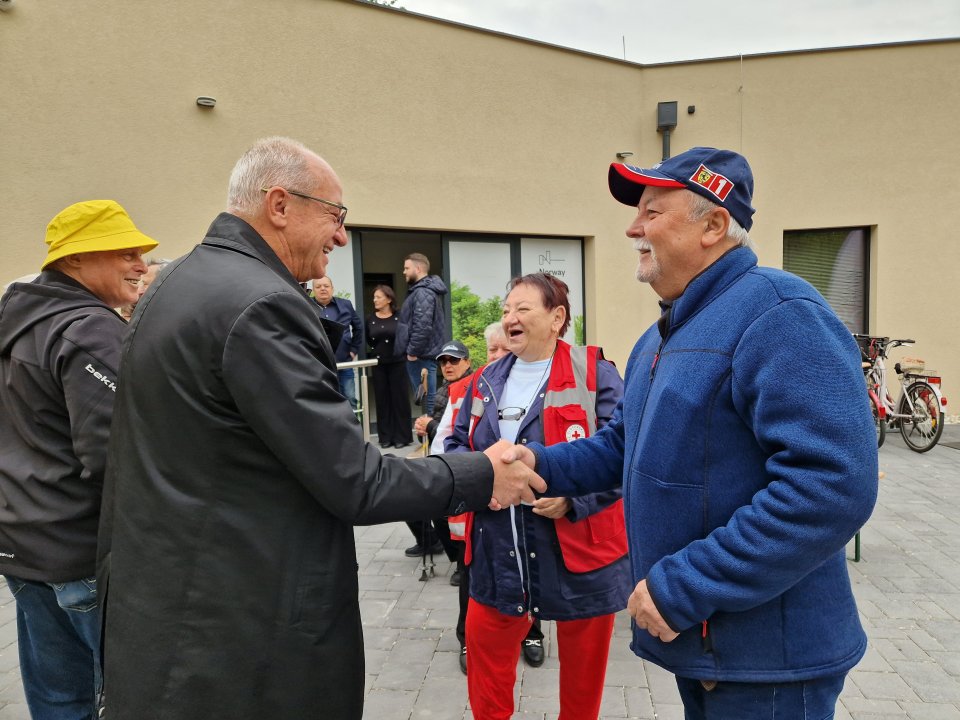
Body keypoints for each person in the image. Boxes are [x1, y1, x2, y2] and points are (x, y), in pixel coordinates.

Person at [95, 136, 541, 720]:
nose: (341, 236)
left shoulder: (177, 281)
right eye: (335, 215)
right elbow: (356, 481)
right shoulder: (262, 306)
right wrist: (481, 475)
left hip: (166, 607)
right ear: (279, 205)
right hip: (238, 634)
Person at [498, 147, 879, 718]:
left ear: (714, 225)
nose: (632, 228)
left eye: (651, 212)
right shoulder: (663, 334)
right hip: (705, 649)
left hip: (768, 665)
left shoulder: (782, 314)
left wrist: (686, 585)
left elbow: (831, 486)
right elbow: (624, 443)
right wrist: (541, 464)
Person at [447, 272, 630, 719]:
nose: (509, 317)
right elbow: (455, 444)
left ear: (557, 317)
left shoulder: (595, 373)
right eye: (506, 309)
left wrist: (574, 501)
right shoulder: (484, 380)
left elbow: (627, 451)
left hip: (580, 553)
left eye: (522, 308)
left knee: (583, 683)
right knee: (487, 666)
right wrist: (479, 484)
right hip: (499, 550)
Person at [0, 199, 157, 720]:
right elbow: (119, 456)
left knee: (59, 700)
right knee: (134, 698)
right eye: (126, 253)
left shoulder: (18, 321)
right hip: (80, 555)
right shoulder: (88, 328)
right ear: (75, 260)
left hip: (22, 545)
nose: (140, 265)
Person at [444, 323, 548, 675]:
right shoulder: (472, 386)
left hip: (531, 507)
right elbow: (450, 441)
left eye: (506, 349)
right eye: (493, 350)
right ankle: (467, 639)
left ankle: (532, 634)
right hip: (482, 508)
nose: (499, 356)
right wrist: (481, 479)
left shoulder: (537, 385)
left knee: (531, 570)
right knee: (472, 575)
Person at [407, 341, 475, 569]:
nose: (448, 365)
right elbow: (435, 435)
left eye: (454, 360)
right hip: (440, 461)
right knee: (405, 490)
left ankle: (461, 562)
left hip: (461, 465)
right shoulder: (443, 390)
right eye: (443, 361)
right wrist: (423, 430)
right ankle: (430, 541)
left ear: (467, 362)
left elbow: (465, 434)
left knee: (442, 510)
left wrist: (431, 426)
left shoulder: (472, 388)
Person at [396, 252, 448, 416]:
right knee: (427, 398)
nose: (404, 272)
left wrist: (412, 352)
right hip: (423, 355)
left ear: (418, 269)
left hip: (420, 356)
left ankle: (431, 431)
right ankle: (429, 430)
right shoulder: (423, 290)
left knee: (427, 400)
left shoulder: (422, 292)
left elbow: (422, 326)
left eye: (407, 268)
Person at [365, 284, 412, 449]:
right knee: (382, 400)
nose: (374, 300)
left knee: (400, 400)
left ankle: (402, 437)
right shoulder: (370, 319)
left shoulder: (400, 317)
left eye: (378, 297)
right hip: (379, 364)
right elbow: (369, 340)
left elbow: (407, 336)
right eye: (374, 297)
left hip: (398, 362)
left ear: (389, 299)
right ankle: (385, 437)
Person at [312, 276, 363, 410]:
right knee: (326, 402)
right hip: (320, 366)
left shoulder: (345, 305)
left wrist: (353, 350)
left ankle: (354, 424)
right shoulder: (307, 306)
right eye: (318, 286)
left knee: (350, 398)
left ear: (332, 288)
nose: (323, 289)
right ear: (313, 290)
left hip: (344, 362)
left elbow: (358, 328)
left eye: (326, 286)